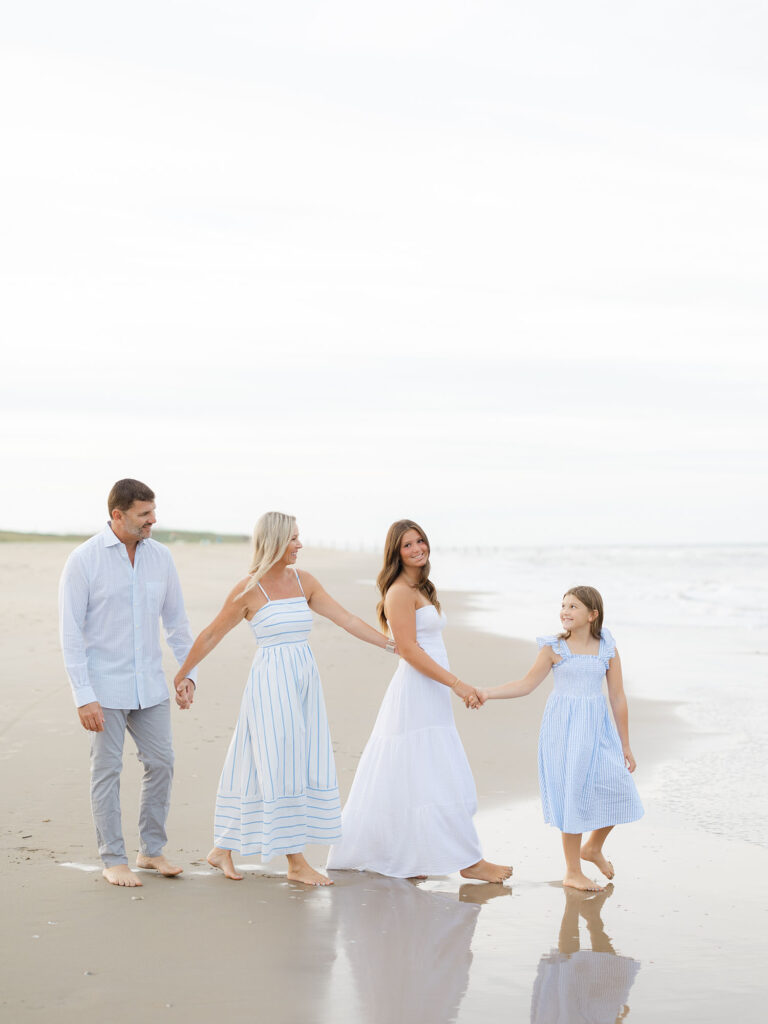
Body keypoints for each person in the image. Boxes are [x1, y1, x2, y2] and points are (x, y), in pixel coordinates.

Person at [173, 511, 395, 887]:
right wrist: (184, 674)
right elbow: (211, 635)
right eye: (293, 538)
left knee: (256, 762)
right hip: (270, 685)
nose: (300, 544)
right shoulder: (248, 590)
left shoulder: (303, 581)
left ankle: (222, 849)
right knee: (282, 763)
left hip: (303, 682)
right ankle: (295, 862)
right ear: (275, 541)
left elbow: (346, 619)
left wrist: (393, 645)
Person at [327, 519, 512, 882]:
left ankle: (411, 856)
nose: (417, 549)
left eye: (420, 541)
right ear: (396, 553)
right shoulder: (399, 591)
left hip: (432, 691)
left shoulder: (422, 587)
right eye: (407, 545)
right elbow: (408, 650)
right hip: (418, 690)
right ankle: (469, 861)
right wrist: (457, 684)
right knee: (435, 773)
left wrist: (449, 685)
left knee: (417, 774)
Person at [58, 478, 197, 888]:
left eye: (153, 512)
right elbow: (69, 635)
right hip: (104, 689)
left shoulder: (162, 558)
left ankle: (151, 850)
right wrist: (84, 697)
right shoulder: (83, 560)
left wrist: (188, 672)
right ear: (118, 515)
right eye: (144, 515)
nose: (153, 520)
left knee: (162, 763)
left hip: (150, 687)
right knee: (107, 771)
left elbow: (176, 623)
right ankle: (113, 858)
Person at [475, 586, 643, 891]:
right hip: (564, 731)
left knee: (619, 787)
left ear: (592, 615)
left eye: (573, 606)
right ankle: (572, 871)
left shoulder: (606, 647)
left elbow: (618, 697)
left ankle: (592, 848)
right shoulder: (554, 648)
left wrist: (626, 744)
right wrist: (488, 693)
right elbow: (526, 684)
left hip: (598, 729)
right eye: (563, 605)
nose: (565, 611)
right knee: (572, 794)